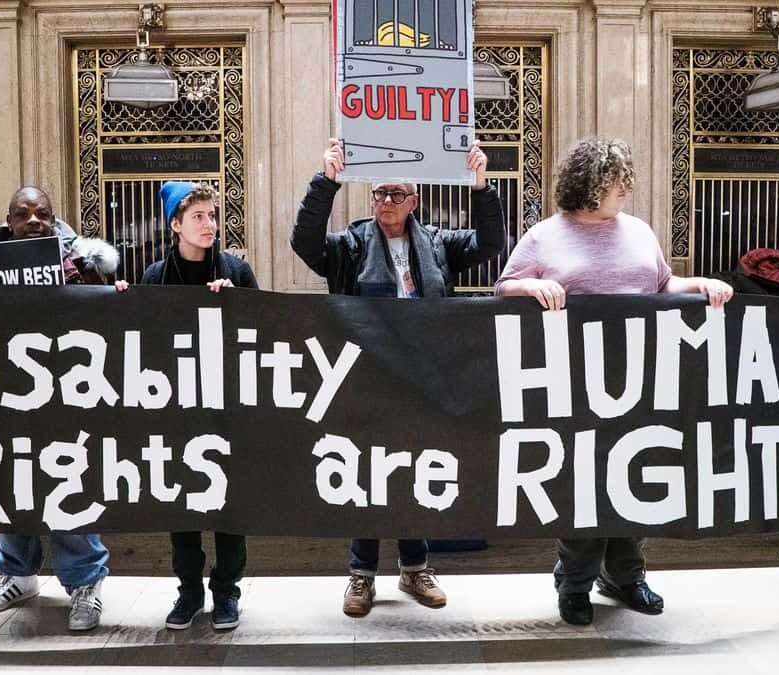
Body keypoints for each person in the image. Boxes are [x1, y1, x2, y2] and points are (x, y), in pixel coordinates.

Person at [494, 136, 733, 626]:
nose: (625, 189)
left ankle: (626, 576)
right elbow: (503, 288)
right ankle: (575, 581)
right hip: (574, 383)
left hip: (643, 379)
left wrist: (702, 284)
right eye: (617, 181)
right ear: (591, 184)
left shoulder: (639, 231)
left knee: (638, 477)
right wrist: (530, 284)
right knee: (583, 483)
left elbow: (663, 285)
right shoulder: (544, 236)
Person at [291, 138, 504, 616]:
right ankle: (361, 575)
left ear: (414, 201)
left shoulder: (438, 245)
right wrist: (325, 182)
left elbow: (491, 245)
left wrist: (481, 187)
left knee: (415, 470)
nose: (386, 200)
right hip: (366, 379)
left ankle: (414, 569)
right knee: (366, 472)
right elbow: (304, 243)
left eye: (397, 194)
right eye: (380, 193)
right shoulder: (350, 245)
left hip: (422, 379)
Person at [0, 186, 119, 631]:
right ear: (8, 220)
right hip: (6, 394)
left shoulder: (82, 265)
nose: (34, 220)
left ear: (54, 219)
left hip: (65, 394)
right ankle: (16, 573)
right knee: (11, 481)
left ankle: (86, 582)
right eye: (23, 213)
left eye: (42, 213)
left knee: (69, 484)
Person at [122, 181, 257, 631]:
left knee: (230, 506)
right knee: (180, 506)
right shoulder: (156, 276)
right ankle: (189, 592)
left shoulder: (236, 271)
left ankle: (226, 593)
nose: (209, 225)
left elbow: (264, 335)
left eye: (213, 215)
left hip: (228, 412)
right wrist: (118, 305)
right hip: (176, 411)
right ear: (175, 225)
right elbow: (140, 339)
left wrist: (235, 305)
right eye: (198, 217)